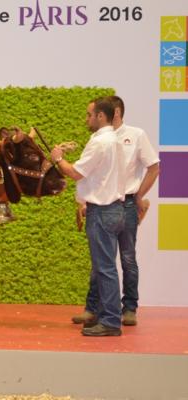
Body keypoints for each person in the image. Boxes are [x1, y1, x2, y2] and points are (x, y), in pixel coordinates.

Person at [71, 96, 160, 327]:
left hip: (126, 203)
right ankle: (93, 308)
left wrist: (139, 196)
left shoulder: (135, 135)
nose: (88, 118)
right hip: (104, 204)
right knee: (102, 261)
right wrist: (83, 201)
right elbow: (94, 177)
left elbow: (154, 167)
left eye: (91, 114)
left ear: (114, 112)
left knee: (126, 258)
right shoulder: (99, 137)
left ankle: (129, 308)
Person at [51, 97, 126, 336]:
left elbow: (75, 173)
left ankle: (111, 322)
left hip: (102, 212)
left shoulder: (100, 142)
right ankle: (105, 317)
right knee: (105, 268)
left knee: (104, 269)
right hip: (114, 208)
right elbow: (103, 177)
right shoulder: (115, 140)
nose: (86, 119)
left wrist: (58, 158)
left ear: (100, 116)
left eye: (88, 115)